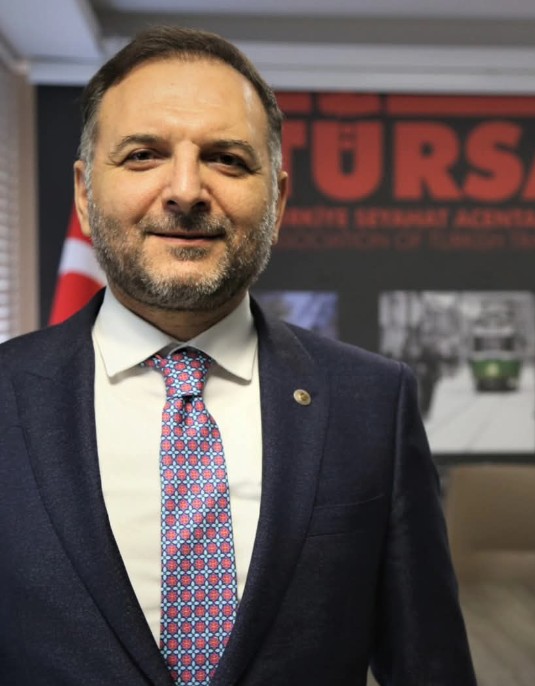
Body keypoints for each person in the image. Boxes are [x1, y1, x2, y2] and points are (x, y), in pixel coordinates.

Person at [0, 26, 476, 686]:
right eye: (143, 155)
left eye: (226, 159)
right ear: (85, 193)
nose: (186, 190)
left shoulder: (373, 405)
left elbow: (431, 669)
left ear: (278, 201)